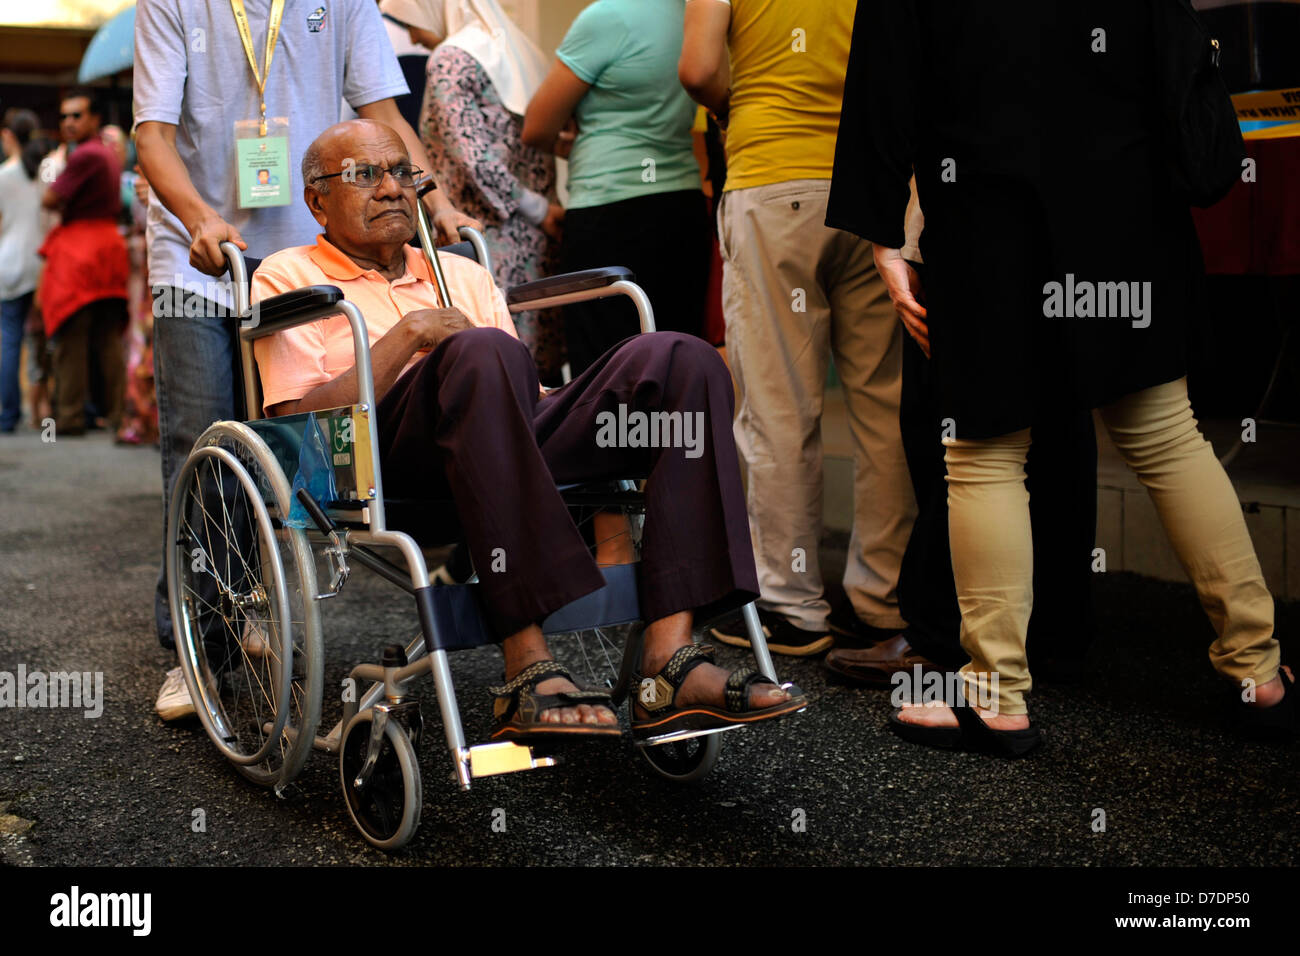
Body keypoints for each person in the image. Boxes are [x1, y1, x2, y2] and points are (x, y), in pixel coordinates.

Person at [828, 0, 1294, 753]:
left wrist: (885, 238)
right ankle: (1259, 674)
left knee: (985, 452)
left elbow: (885, 84)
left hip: (989, 219)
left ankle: (997, 696)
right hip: (1129, 211)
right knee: (1169, 438)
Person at [245, 118, 806, 739]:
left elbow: (522, 392)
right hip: (384, 458)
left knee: (683, 361)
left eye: (402, 172)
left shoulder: (461, 274)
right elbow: (298, 423)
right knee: (482, 352)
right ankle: (525, 665)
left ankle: (668, 663)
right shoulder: (286, 274)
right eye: (365, 175)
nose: (390, 189)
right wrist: (409, 338)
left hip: (502, 432)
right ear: (317, 199)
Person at [132, 0, 481, 718]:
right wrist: (200, 218)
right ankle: (199, 648)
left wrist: (435, 201)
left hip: (310, 249)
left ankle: (251, 608)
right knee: (202, 441)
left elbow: (383, 109)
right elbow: (153, 135)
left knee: (282, 442)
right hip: (203, 254)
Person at [678, 0, 914, 656]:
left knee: (779, 408)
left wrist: (738, 102)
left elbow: (697, 69)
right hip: (871, 187)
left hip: (772, 179)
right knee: (883, 406)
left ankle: (793, 604)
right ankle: (880, 601)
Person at [523, 0, 711, 378]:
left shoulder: (606, 17)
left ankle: (614, 440)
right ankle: (669, 439)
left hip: (609, 208)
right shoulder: (696, 16)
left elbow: (537, 127)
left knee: (604, 369)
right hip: (682, 206)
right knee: (676, 359)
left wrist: (568, 145)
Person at [381, 0, 564, 379]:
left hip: (485, 235)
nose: (413, 36)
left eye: (411, 23)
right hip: (534, 235)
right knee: (535, 363)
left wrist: (536, 209)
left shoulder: (451, 58)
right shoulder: (511, 47)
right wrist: (543, 210)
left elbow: (474, 158)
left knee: (500, 362)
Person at [38, 88, 128, 437]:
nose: (69, 123)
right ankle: (121, 416)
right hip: (107, 248)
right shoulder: (105, 153)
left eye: (76, 115)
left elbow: (49, 198)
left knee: (71, 340)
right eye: (64, 116)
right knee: (107, 339)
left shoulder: (83, 157)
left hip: (80, 252)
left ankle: (71, 416)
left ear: (94, 119)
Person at [0, 109, 44, 434]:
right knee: (43, 339)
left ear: (9, 136)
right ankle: (46, 412)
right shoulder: (50, 173)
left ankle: (9, 414)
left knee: (10, 340)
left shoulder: (4, 175)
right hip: (43, 263)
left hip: (10, 263)